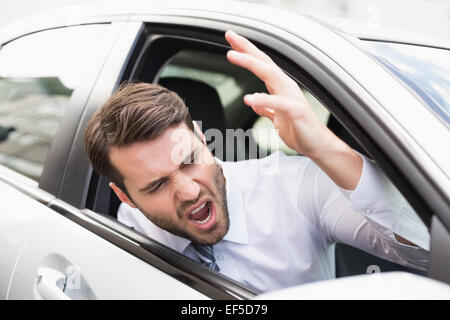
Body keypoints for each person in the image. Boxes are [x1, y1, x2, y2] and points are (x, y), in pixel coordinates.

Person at [83, 31, 429, 293]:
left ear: (204, 142)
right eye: (157, 185)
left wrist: (323, 147)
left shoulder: (296, 186)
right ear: (127, 198)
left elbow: (426, 251)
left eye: (190, 161)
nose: (188, 191)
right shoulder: (130, 223)